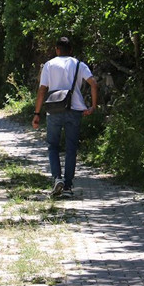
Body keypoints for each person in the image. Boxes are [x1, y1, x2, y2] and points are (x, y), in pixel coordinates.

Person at [31, 37, 98, 198]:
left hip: (54, 110)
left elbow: (42, 90)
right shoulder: (79, 64)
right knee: (71, 148)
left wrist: (37, 113)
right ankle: (67, 186)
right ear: (71, 49)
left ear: (57, 49)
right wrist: (93, 106)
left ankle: (57, 179)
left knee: (53, 146)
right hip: (74, 110)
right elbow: (94, 84)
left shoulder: (49, 64)